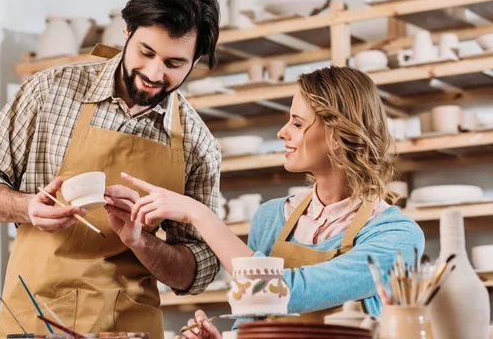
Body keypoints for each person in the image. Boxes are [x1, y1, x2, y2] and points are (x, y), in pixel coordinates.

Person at [0, 0, 223, 338]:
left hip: (128, 327)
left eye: (174, 63)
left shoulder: (197, 142)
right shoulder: (51, 91)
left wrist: (142, 241)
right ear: (126, 33)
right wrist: (28, 207)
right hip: (36, 319)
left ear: (196, 60)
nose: (154, 74)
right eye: (146, 52)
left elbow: (197, 270)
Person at [118, 65, 426, 338]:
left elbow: (288, 292)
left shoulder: (397, 236)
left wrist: (199, 214)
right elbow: (251, 320)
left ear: (336, 132)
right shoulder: (271, 217)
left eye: (297, 123)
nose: (282, 132)